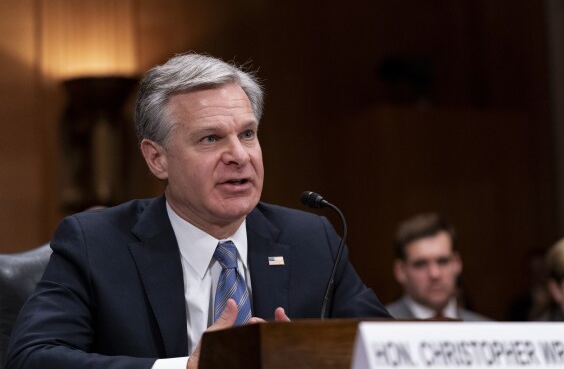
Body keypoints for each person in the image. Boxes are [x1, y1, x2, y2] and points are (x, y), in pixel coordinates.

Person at [5, 53, 390, 369]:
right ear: (157, 159)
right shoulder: (95, 243)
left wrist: (311, 355)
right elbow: (31, 358)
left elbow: (389, 350)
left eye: (247, 134)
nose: (239, 156)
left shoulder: (311, 240)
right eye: (210, 138)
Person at [385, 212, 489, 321]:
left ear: (457, 263)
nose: (435, 274)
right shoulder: (376, 330)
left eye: (443, 261)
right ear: (400, 271)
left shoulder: (489, 332)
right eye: (421, 264)